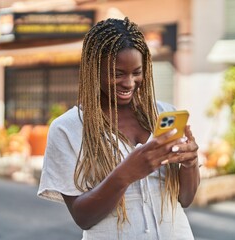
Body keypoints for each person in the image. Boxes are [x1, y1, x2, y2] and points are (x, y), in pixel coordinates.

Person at [37, 17, 200, 240]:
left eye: (137, 72)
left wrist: (190, 164)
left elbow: (185, 199)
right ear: (94, 70)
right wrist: (125, 174)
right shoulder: (67, 129)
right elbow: (83, 217)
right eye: (118, 74)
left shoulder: (162, 114)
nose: (129, 83)